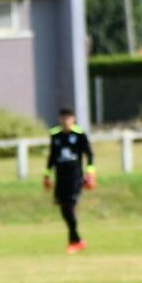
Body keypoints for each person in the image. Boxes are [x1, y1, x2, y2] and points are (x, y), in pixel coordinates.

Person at [44, 107, 95, 254]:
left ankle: (74, 242)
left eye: (68, 118)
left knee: (69, 207)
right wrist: (46, 174)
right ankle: (77, 240)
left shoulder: (79, 134)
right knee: (64, 210)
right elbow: (52, 156)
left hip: (75, 178)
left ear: (73, 119)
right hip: (60, 178)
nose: (65, 121)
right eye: (62, 118)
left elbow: (89, 154)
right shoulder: (55, 135)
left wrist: (90, 173)